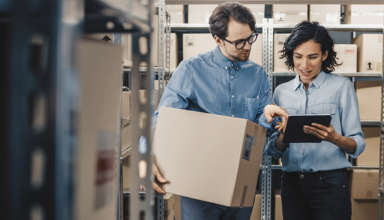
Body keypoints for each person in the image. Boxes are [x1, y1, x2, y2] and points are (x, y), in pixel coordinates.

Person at [151, 2, 288, 220]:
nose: (247, 46)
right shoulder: (191, 70)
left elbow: (260, 136)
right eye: (239, 42)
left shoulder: (258, 76)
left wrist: (270, 120)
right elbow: (163, 120)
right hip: (199, 186)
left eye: (251, 38)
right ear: (217, 39)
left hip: (241, 183)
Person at [265, 21, 366, 220]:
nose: (304, 65)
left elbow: (358, 145)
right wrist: (284, 136)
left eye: (312, 57)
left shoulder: (342, 88)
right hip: (292, 185)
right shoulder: (281, 92)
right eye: (298, 57)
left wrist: (335, 138)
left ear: (325, 55)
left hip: (331, 184)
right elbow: (271, 150)